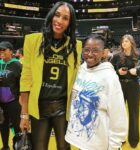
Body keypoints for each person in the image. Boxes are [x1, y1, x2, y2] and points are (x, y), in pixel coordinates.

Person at [19, 1, 82, 150]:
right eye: (57, 15)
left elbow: (77, 79)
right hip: (39, 107)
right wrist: (24, 114)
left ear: (70, 22)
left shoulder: (76, 46)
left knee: (64, 147)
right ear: (51, 16)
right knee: (39, 147)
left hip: (63, 107)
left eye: (65, 18)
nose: (59, 21)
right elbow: (26, 79)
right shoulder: (32, 41)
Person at [65, 34, 128, 150]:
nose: (89, 54)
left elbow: (118, 114)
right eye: (86, 50)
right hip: (82, 142)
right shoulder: (80, 70)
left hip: (100, 145)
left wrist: (115, 145)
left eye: (95, 50)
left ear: (103, 53)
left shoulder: (109, 77)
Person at [111, 34, 140, 148]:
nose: (124, 43)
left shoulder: (138, 57)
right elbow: (109, 71)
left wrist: (137, 72)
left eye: (126, 41)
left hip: (133, 87)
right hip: (119, 87)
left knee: (134, 114)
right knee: (118, 115)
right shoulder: (116, 56)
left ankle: (134, 140)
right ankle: (119, 138)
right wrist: (118, 72)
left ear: (131, 42)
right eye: (122, 41)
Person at [0, 41, 22, 150]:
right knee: (3, 125)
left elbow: (22, 85)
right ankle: (5, 146)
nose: (1, 52)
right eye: (0, 50)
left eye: (3, 49)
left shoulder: (17, 64)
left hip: (14, 101)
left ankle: (19, 146)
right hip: (1, 103)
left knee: (17, 126)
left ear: (10, 51)